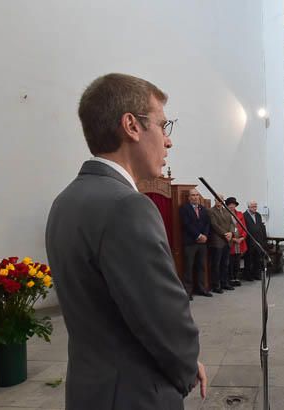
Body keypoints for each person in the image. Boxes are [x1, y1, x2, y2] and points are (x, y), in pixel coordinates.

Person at [45, 73, 205, 409]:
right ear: (131, 126)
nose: (169, 141)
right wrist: (187, 366)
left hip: (90, 389)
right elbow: (164, 316)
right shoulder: (127, 206)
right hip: (135, 394)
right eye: (163, 126)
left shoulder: (66, 200)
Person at [180, 189, 212, 298]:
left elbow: (207, 223)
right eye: (192, 195)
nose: (195, 197)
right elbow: (186, 224)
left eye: (197, 195)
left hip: (202, 243)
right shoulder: (184, 208)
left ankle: (202, 289)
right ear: (189, 197)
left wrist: (205, 236)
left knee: (201, 266)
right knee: (189, 267)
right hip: (190, 242)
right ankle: (188, 291)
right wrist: (198, 235)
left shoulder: (203, 209)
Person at [207, 193, 235, 293]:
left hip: (227, 241)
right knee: (216, 264)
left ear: (223, 201)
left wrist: (231, 233)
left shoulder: (226, 210)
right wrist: (225, 234)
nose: (219, 201)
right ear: (214, 200)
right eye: (217, 199)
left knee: (225, 264)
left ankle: (225, 283)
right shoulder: (211, 211)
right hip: (217, 241)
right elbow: (214, 225)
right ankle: (216, 285)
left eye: (221, 199)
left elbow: (232, 223)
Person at [243, 200, 266, 281]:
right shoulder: (244, 215)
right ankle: (248, 276)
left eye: (256, 206)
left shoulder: (258, 215)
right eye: (253, 206)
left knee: (257, 259)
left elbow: (261, 228)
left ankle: (257, 274)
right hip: (249, 241)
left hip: (258, 241)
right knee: (249, 259)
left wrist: (263, 241)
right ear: (248, 207)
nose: (255, 208)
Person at [227, 197, 247, 285]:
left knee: (237, 261)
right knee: (230, 261)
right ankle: (230, 278)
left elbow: (244, 227)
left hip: (240, 242)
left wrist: (242, 238)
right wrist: (233, 239)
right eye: (230, 204)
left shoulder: (240, 214)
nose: (232, 206)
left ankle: (236, 278)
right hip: (230, 241)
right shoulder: (225, 214)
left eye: (233, 204)